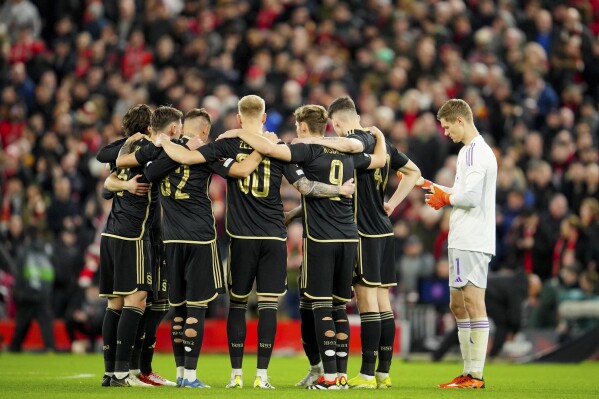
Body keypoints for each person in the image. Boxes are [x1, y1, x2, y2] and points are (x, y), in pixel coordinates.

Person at [157, 95, 354, 389]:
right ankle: (262, 376)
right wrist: (338, 188)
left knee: (237, 305)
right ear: (263, 119)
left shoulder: (225, 144)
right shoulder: (276, 148)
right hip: (273, 236)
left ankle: (236, 375)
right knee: (268, 306)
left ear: (238, 118)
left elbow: (187, 158)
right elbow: (302, 185)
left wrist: (163, 142)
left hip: (241, 236)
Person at [217, 103, 386, 389]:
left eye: (297, 127)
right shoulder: (347, 151)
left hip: (322, 239)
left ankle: (329, 377)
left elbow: (272, 151)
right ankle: (342, 375)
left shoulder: (305, 150)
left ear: (303, 127)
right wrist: (380, 137)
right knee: (339, 307)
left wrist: (237, 131)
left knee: (319, 306)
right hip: (349, 236)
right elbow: (380, 161)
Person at [290, 96, 421, 389]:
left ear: (336, 122)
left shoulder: (354, 142)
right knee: (383, 303)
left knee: (367, 304)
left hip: (359, 231)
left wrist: (312, 142)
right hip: (383, 229)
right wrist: (391, 205)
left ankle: (365, 375)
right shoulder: (379, 141)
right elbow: (414, 172)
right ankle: (383, 374)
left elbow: (351, 150)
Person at [138, 108, 263, 388]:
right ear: (205, 130)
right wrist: (264, 148)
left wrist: (173, 146)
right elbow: (241, 170)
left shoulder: (163, 152)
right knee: (196, 308)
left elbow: (149, 173)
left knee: (178, 310)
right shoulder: (207, 154)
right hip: (201, 239)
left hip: (171, 239)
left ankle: (181, 373)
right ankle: (191, 377)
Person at [424, 99, 497, 389]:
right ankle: (468, 372)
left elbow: (470, 199)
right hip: (462, 238)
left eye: (446, 127)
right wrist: (436, 189)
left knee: (473, 303)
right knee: (458, 303)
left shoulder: (475, 153)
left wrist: (447, 198)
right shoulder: (468, 151)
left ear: (460, 121)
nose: (445, 133)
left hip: (473, 239)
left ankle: (475, 375)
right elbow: (462, 192)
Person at [97, 104, 164, 387]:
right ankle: (125, 372)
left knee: (114, 303)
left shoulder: (121, 152)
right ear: (149, 128)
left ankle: (112, 373)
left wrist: (119, 184)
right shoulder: (148, 152)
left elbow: (105, 182)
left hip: (110, 233)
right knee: (136, 300)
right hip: (133, 236)